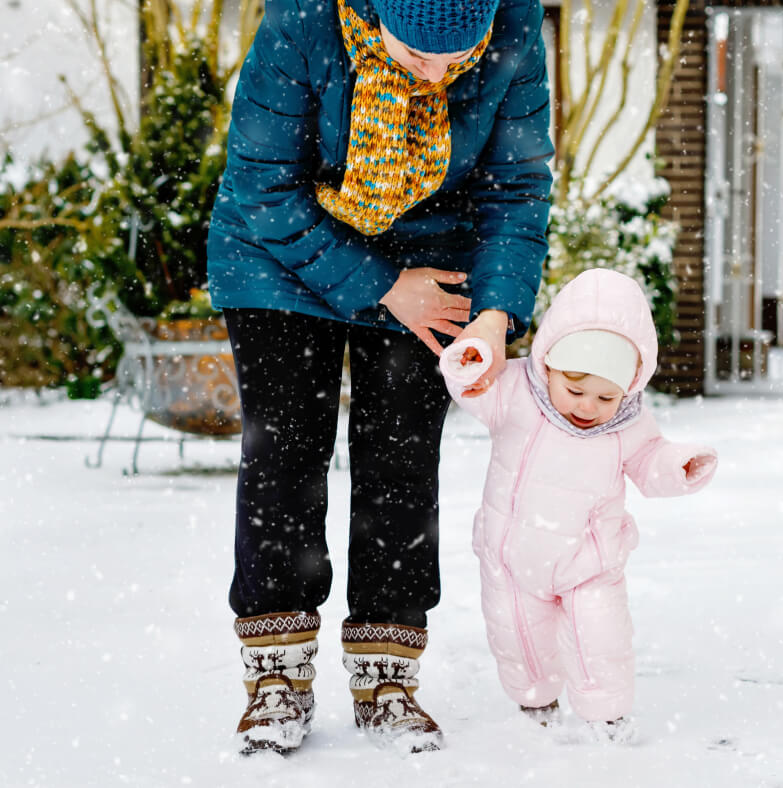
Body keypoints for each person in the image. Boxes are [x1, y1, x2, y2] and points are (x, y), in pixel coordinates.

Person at [206, 0, 553, 756]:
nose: (439, 73)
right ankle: (276, 674)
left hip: (430, 255)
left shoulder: (518, 28)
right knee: (286, 453)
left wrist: (494, 314)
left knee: (402, 460)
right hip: (278, 256)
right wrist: (383, 283)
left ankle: (386, 675)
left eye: (459, 56)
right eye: (419, 54)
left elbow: (516, 188)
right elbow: (264, 187)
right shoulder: (305, 20)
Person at [438, 268, 718, 741]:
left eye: (606, 396)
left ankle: (607, 715)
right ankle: (535, 698)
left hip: (589, 559)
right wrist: (467, 363)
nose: (588, 406)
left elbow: (650, 459)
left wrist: (677, 465)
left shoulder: (628, 422)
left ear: (628, 387)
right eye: (575, 390)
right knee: (518, 638)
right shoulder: (516, 391)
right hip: (512, 556)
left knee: (602, 640)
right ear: (549, 366)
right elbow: (472, 388)